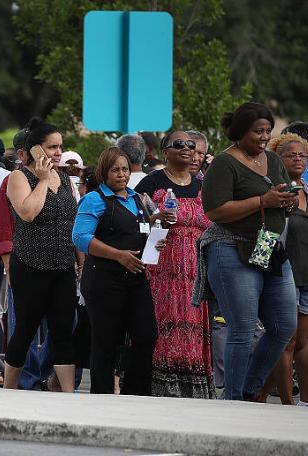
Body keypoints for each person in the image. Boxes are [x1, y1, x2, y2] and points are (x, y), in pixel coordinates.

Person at [195, 102, 297, 401]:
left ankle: (250, 389)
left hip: (268, 245)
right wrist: (263, 201)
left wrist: (287, 201)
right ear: (241, 131)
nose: (264, 137)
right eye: (258, 132)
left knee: (283, 325)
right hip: (230, 246)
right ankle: (235, 399)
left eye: (268, 131)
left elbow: (279, 196)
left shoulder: (273, 160)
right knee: (242, 328)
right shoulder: (223, 164)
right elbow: (215, 211)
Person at [74, 147, 161, 395]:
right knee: (106, 342)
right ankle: (102, 397)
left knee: (146, 335)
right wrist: (118, 255)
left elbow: (137, 229)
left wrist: (154, 239)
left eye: (124, 169)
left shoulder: (136, 198)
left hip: (135, 278)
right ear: (104, 172)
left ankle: (135, 394)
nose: (121, 174)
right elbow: (80, 237)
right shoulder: (94, 200)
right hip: (104, 279)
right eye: (115, 170)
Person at [134, 131, 214, 398]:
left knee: (193, 328)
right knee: (161, 327)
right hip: (161, 271)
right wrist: (155, 218)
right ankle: (159, 386)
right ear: (165, 151)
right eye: (178, 144)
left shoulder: (203, 185)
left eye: (191, 145)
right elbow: (133, 222)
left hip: (196, 272)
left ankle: (192, 387)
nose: (186, 148)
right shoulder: (152, 182)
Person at [3, 118, 78, 392]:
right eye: (52, 147)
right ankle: (9, 390)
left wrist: (79, 262)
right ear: (36, 150)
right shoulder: (19, 177)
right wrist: (43, 179)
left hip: (62, 265)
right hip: (30, 264)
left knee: (63, 331)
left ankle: (68, 393)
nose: (58, 152)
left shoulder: (66, 178)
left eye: (60, 147)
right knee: (25, 330)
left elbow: (72, 221)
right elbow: (28, 212)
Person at [257, 133, 308, 405]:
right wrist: (260, 267)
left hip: (306, 275)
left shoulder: (306, 190)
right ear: (279, 157)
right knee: (285, 340)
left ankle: (260, 393)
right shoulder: (274, 190)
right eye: (291, 155)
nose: (298, 159)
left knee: (301, 343)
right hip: (283, 275)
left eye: (302, 155)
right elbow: (268, 231)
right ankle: (287, 404)